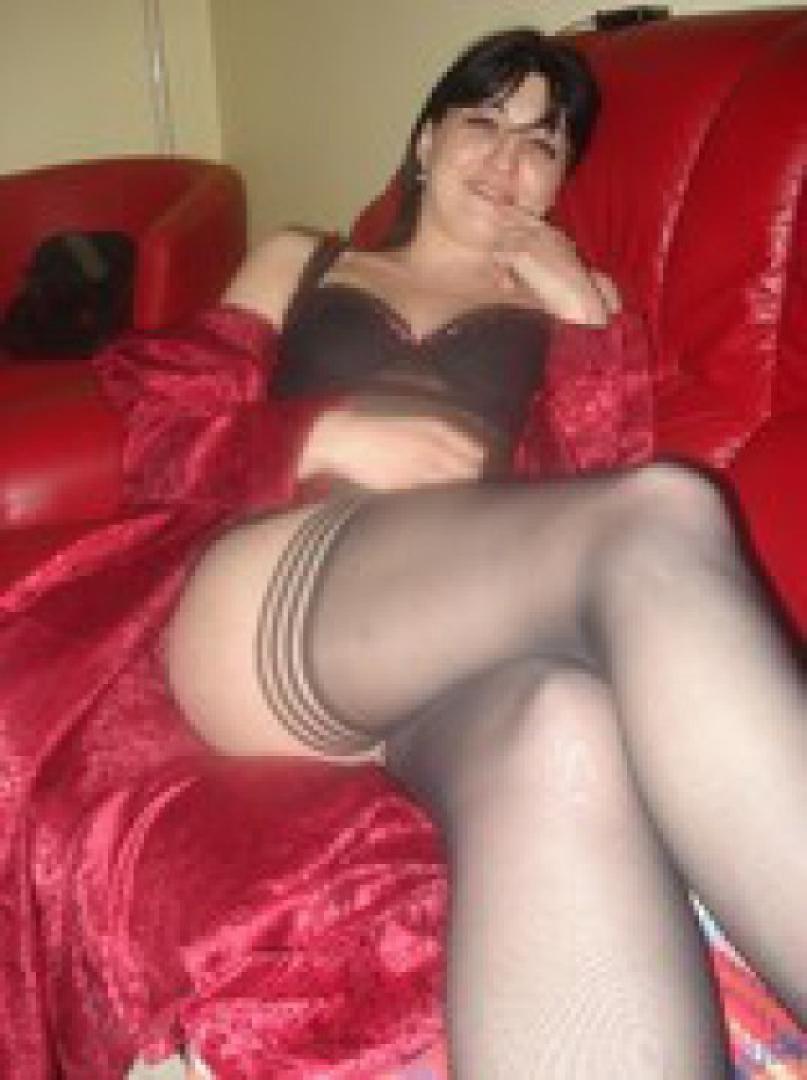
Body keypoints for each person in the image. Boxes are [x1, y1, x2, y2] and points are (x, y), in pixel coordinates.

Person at [0, 27, 804, 1080]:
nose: (506, 160)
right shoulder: (306, 258)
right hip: (269, 604)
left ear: (560, 179)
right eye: (483, 123)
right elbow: (162, 433)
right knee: (661, 513)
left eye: (542, 143)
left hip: (445, 657)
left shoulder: (572, 306)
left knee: (564, 723)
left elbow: (591, 498)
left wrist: (576, 308)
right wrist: (321, 437)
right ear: (426, 141)